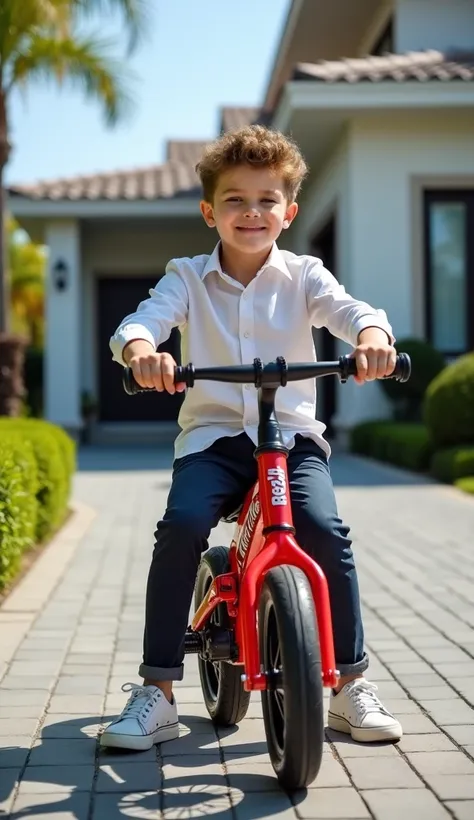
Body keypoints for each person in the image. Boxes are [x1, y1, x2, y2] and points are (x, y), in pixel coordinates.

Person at [103, 124, 402, 751]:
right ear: (211, 211)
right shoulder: (186, 276)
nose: (251, 212)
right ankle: (156, 692)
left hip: (289, 438)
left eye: (267, 199)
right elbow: (142, 321)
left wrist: (372, 339)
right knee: (182, 526)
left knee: (324, 531)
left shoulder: (305, 274)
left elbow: (350, 311)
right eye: (235, 199)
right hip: (212, 439)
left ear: (288, 213)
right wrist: (142, 352)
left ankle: (350, 686)